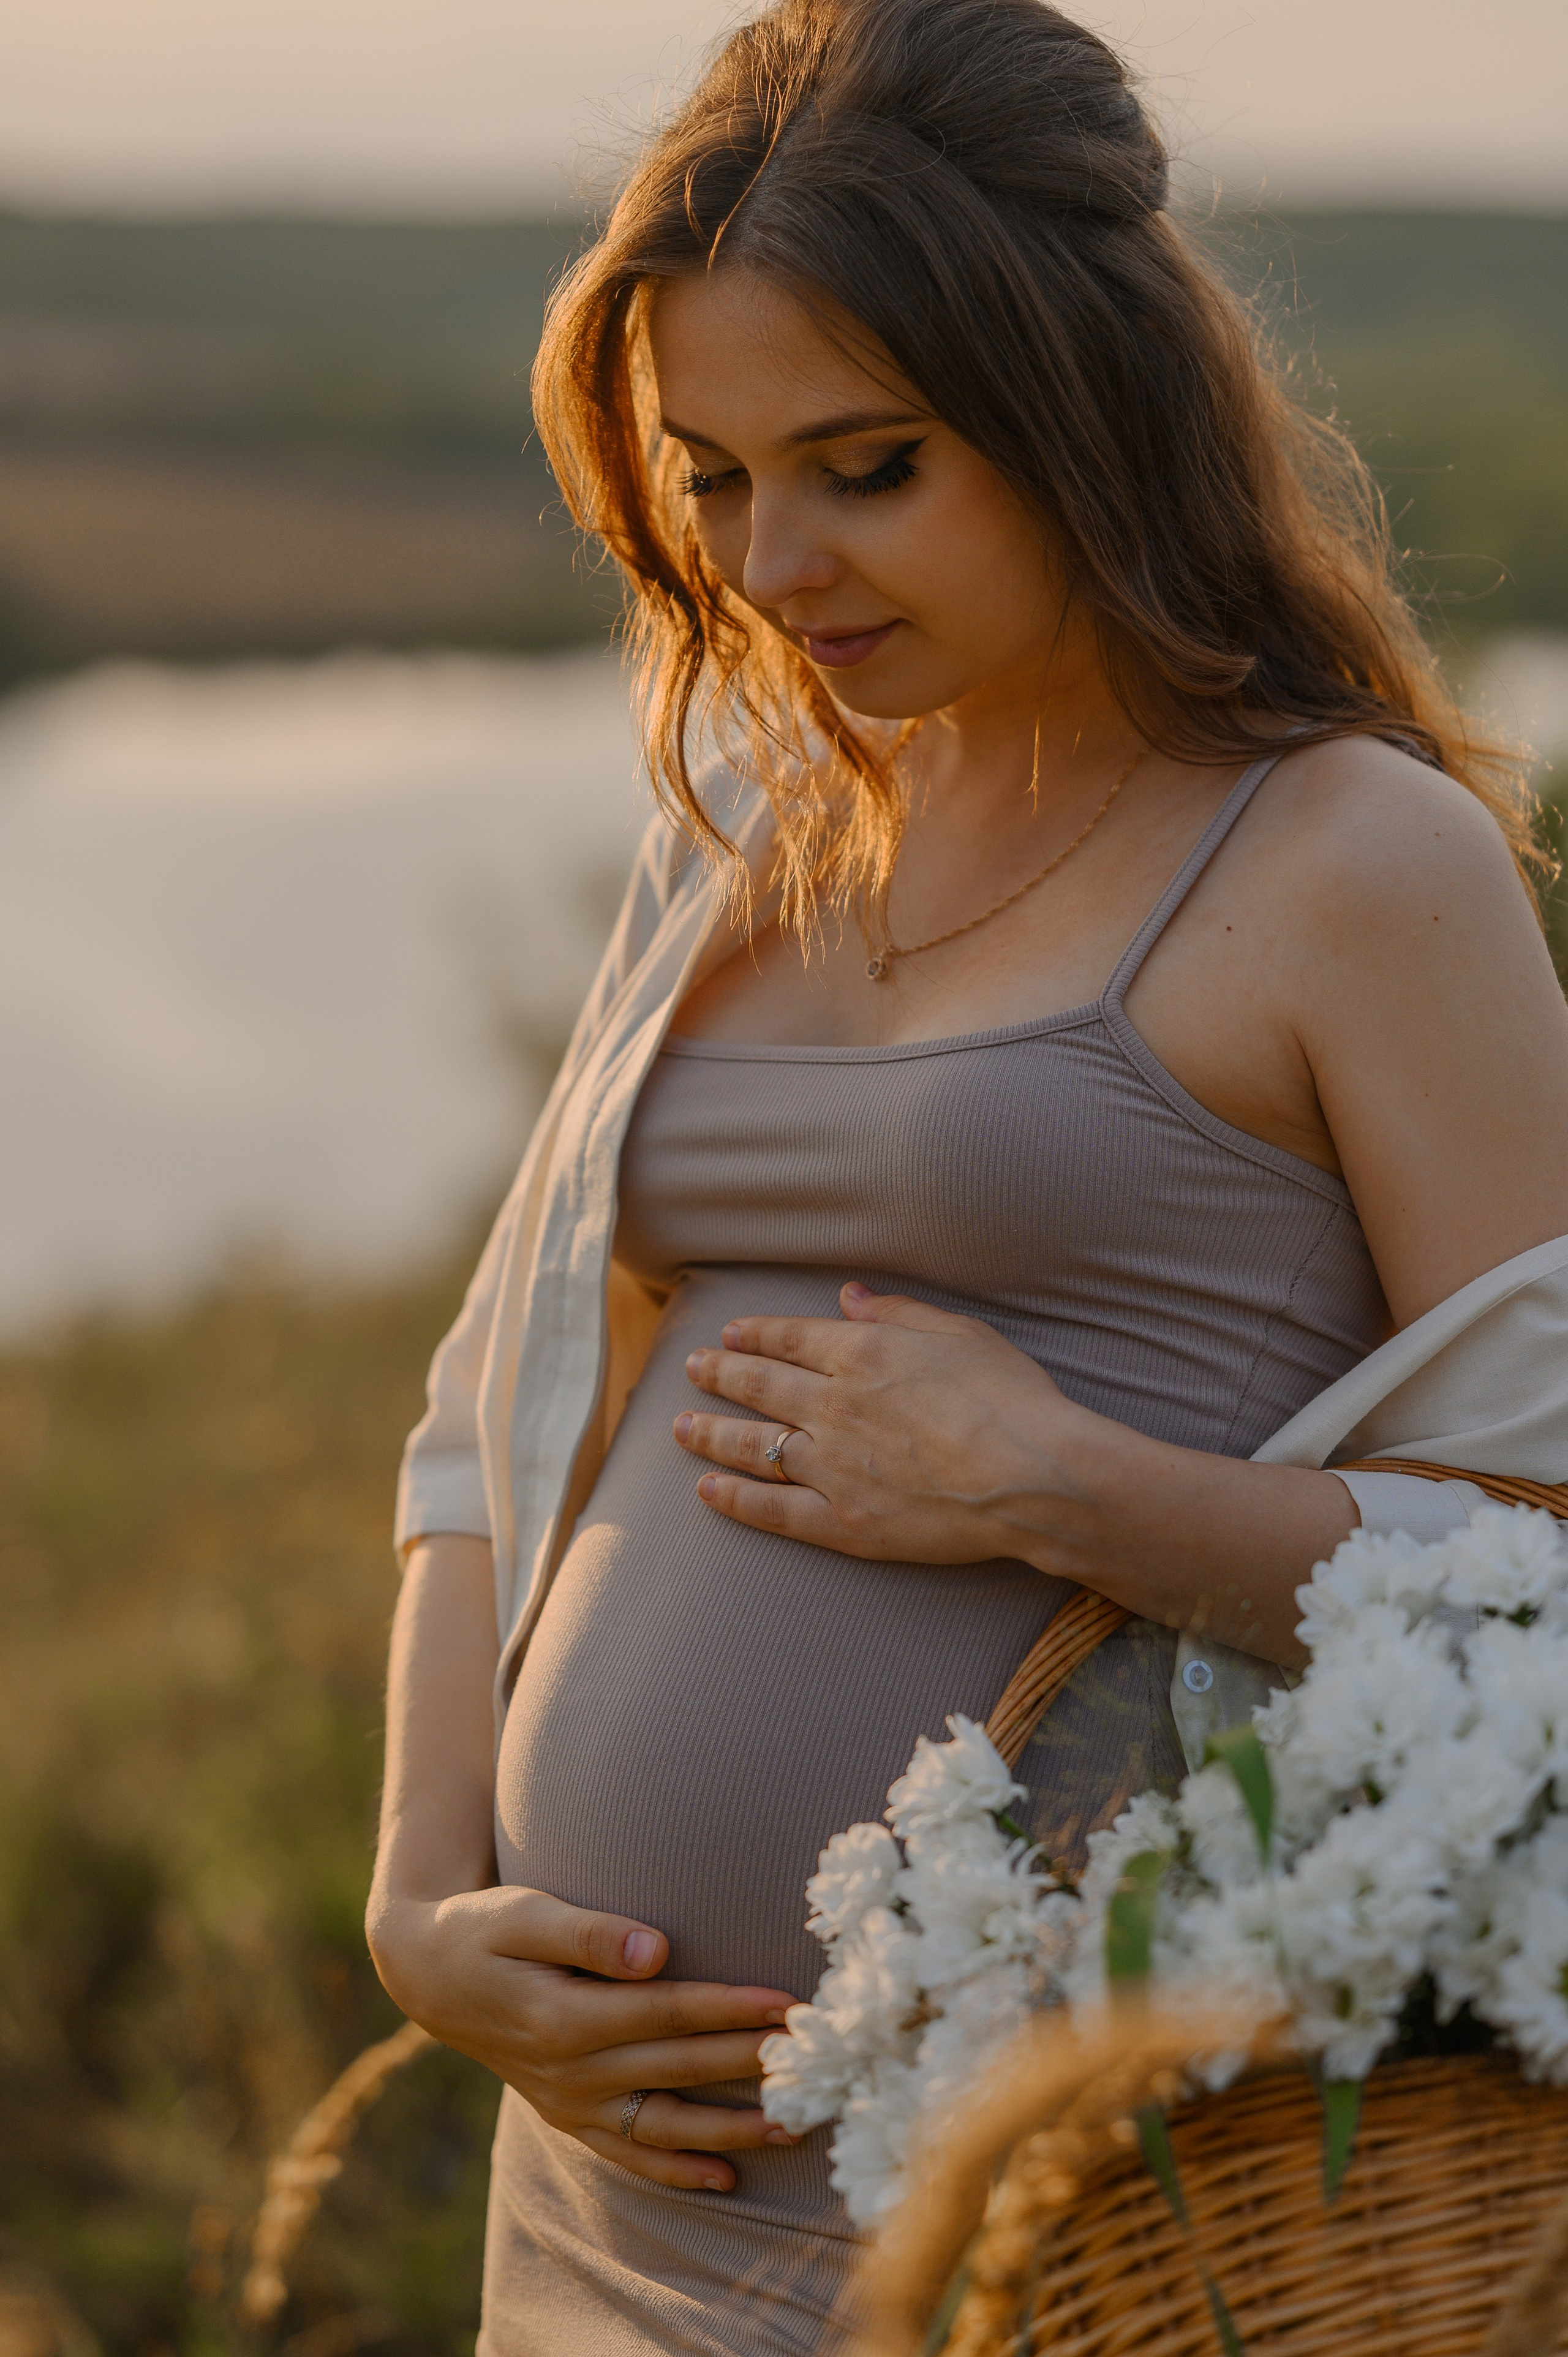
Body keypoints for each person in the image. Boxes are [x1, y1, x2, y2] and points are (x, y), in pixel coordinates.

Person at [365, 1, 1568, 2348]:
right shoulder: (743, 829)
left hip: (1059, 2235)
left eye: (867, 464)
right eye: (711, 478)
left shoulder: (1350, 861)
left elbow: (1556, 1560)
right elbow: (478, 1416)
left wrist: (1067, 1487)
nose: (774, 560)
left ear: (1085, 404)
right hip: (594, 2197)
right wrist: (423, 1907)